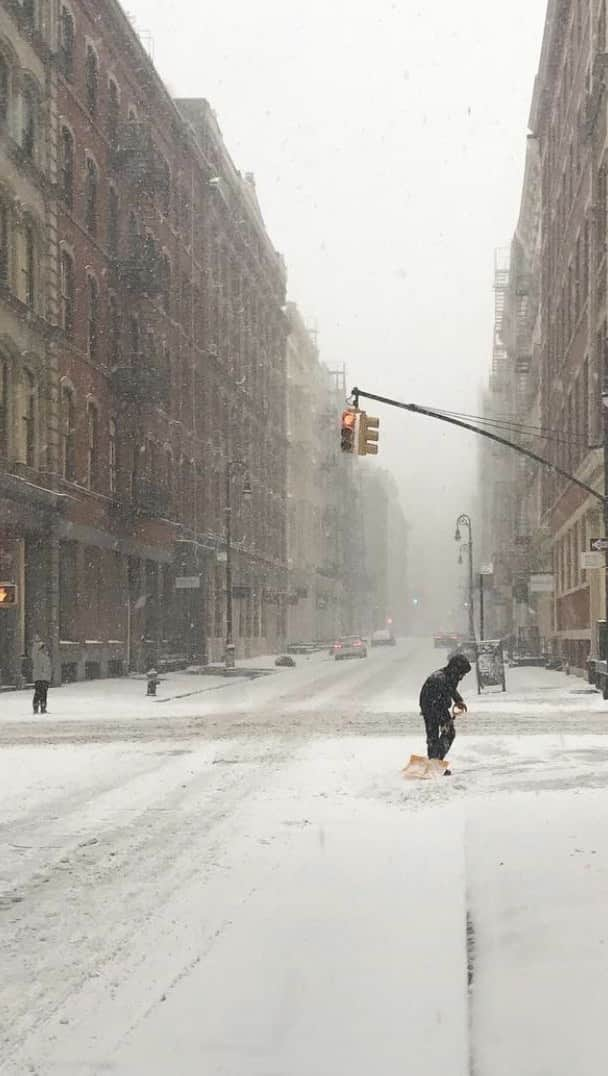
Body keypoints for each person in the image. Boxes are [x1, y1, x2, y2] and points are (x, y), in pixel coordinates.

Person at [419, 653, 472, 773]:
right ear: (456, 669)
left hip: (429, 705)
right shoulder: (441, 679)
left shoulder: (447, 675)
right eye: (462, 673)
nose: (462, 677)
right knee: (448, 733)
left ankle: (434, 762)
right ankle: (435, 763)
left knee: (433, 735)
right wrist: (445, 720)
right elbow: (442, 697)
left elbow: (451, 690)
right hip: (433, 706)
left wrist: (458, 700)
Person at [32, 639, 52, 715]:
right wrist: (37, 643)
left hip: (45, 678)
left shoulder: (45, 656)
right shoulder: (37, 656)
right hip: (40, 678)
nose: (45, 649)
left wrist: (48, 677)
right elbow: (34, 652)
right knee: (39, 693)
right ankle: (36, 708)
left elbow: (48, 668)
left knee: (43, 693)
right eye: (44, 648)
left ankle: (43, 708)